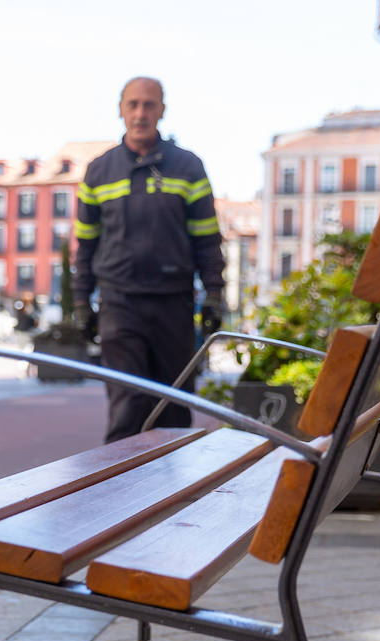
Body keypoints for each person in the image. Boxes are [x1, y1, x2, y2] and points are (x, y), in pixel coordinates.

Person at [73, 76, 224, 443]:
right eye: (133, 104)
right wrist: (80, 301)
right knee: (128, 404)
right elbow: (86, 243)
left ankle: (170, 494)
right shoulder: (98, 171)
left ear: (162, 110)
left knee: (173, 405)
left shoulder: (188, 167)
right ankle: (119, 493)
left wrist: (216, 293)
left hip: (173, 303)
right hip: (119, 303)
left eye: (149, 105)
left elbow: (206, 237)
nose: (140, 113)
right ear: (120, 110)